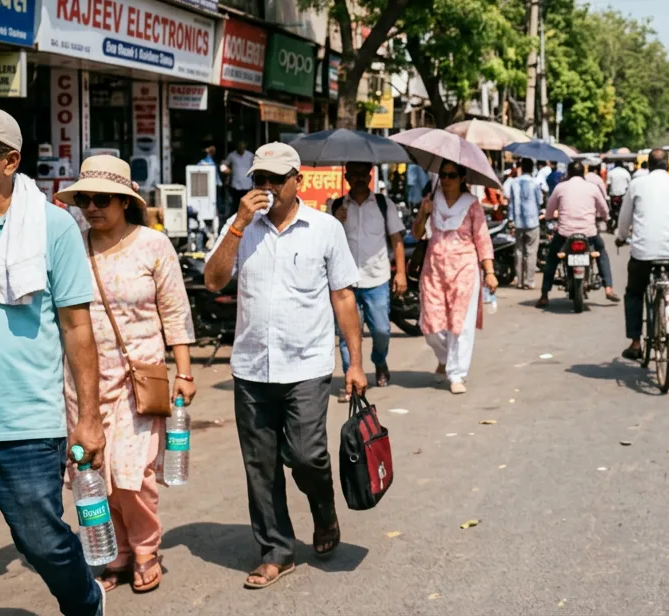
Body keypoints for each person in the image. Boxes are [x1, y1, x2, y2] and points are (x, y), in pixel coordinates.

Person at [203, 142, 366, 590]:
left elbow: (344, 297)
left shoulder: (325, 228)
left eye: (277, 179)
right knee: (260, 466)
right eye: (260, 179)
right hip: (252, 367)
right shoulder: (241, 228)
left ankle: (324, 511)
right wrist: (237, 225)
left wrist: (355, 363)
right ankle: (277, 550)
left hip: (307, 364)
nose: (268, 187)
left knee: (307, 455)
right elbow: (213, 280)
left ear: (299, 181)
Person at [0, 107, 106, 615]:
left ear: (10, 160)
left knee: (44, 543)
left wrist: (88, 418)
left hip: (24, 424)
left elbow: (77, 326)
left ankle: (84, 603)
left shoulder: (52, 227)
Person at [57, 155, 197, 596]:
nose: (91, 207)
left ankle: (145, 549)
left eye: (101, 199)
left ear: (123, 201)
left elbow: (175, 311)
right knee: (94, 472)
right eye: (84, 199)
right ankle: (113, 552)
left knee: (132, 473)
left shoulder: (153, 246)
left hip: (140, 377)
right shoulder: (71, 246)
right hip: (82, 382)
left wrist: (185, 372)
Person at [413, 162, 497, 395]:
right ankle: (444, 357)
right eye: (443, 175)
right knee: (429, 325)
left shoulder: (472, 205)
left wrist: (489, 271)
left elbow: (482, 239)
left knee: (460, 324)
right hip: (434, 270)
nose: (446, 179)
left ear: (461, 178)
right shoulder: (431, 200)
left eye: (451, 175)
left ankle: (457, 373)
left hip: (465, 270)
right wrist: (424, 214)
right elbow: (417, 233)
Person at [330, 162, 406, 398]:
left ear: (370, 176)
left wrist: (401, 272)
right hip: (346, 282)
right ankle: (351, 377)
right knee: (346, 334)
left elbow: (397, 239)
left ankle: (379, 361)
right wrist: (336, 220)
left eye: (364, 174)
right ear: (347, 177)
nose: (360, 179)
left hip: (377, 279)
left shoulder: (384, 205)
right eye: (355, 175)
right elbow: (327, 243)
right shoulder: (336, 206)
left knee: (382, 330)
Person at [616, 148, 669, 360]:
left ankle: (635, 343)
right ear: (668, 165)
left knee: (634, 292)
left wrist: (621, 237)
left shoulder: (636, 184)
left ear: (648, 165)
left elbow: (624, 220)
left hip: (642, 253)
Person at [537, 161, 619, 307]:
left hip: (564, 233)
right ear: (583, 173)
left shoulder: (560, 187)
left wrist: (549, 216)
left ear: (568, 173)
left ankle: (544, 294)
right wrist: (606, 219)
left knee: (552, 259)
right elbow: (604, 210)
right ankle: (608, 288)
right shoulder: (592, 188)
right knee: (601, 253)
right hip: (589, 233)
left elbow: (549, 210)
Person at [502, 158, 543, 289]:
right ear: (531, 169)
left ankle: (519, 281)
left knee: (519, 252)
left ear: (521, 167)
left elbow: (511, 204)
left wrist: (511, 220)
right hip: (533, 222)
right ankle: (529, 281)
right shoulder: (535, 183)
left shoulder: (514, 183)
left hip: (518, 222)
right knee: (531, 252)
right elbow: (540, 201)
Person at [222, 141, 254, 215]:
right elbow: (223, 166)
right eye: (239, 146)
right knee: (236, 205)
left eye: (242, 147)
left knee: (247, 204)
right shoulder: (232, 155)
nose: (241, 148)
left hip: (247, 185)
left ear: (245, 146)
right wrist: (225, 170)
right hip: (235, 185)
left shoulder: (250, 155)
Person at [607, 160, 632, 231]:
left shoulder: (611, 172)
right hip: (623, 195)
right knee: (623, 211)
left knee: (612, 211)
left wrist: (607, 194)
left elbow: (608, 185)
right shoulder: (626, 172)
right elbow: (629, 184)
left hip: (613, 195)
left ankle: (614, 225)